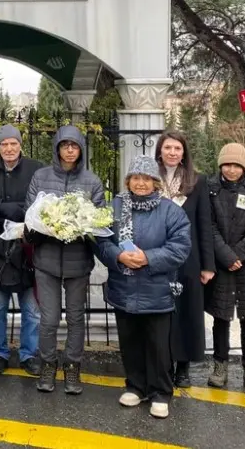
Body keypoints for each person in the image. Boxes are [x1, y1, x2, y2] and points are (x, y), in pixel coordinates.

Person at [97, 155, 191, 419]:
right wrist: (118, 255)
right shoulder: (114, 207)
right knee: (130, 341)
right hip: (123, 286)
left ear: (155, 183)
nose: (140, 183)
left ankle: (161, 392)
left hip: (157, 287)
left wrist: (148, 257)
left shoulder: (170, 210)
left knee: (158, 344)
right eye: (135, 178)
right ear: (128, 181)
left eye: (146, 179)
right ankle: (136, 386)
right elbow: (100, 241)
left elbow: (181, 247)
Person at [25, 125, 105, 395]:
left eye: (74, 146)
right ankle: (48, 363)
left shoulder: (92, 181)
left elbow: (99, 218)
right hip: (46, 259)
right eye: (64, 145)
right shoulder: (40, 176)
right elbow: (30, 214)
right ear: (57, 148)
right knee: (47, 319)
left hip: (77, 261)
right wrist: (48, 225)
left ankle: (72, 366)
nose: (69, 150)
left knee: (75, 318)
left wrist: (80, 225)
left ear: (81, 149)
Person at [0, 124, 43, 376]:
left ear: (20, 145)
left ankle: (28, 354)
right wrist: (6, 210)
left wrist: (3, 208)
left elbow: (39, 204)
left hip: (28, 249)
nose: (9, 148)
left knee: (31, 309)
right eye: (4, 144)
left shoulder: (37, 170)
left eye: (13, 143)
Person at [205, 143, 245, 395]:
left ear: (244, 167)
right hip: (222, 263)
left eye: (236, 165)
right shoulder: (210, 189)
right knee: (221, 317)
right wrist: (227, 256)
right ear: (221, 165)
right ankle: (220, 365)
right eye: (227, 165)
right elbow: (208, 226)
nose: (231, 170)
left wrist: (238, 255)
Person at [155, 131, 215, 387]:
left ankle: (183, 367)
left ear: (183, 153)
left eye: (177, 148)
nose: (172, 152)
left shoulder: (197, 182)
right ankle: (164, 363)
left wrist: (208, 265)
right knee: (163, 312)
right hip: (157, 256)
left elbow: (204, 223)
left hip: (189, 258)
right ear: (160, 151)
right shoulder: (149, 179)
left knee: (187, 311)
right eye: (168, 147)